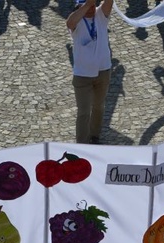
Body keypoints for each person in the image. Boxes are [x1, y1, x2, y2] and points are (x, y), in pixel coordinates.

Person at [66, 0, 113, 144]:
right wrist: (87, 4)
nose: (92, 9)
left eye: (93, 5)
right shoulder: (77, 21)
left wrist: (92, 4)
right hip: (82, 75)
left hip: (103, 71)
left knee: (98, 106)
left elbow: (109, 2)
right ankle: (82, 143)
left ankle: (95, 135)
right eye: (88, 6)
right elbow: (69, 23)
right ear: (79, 7)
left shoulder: (100, 15)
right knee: (84, 112)